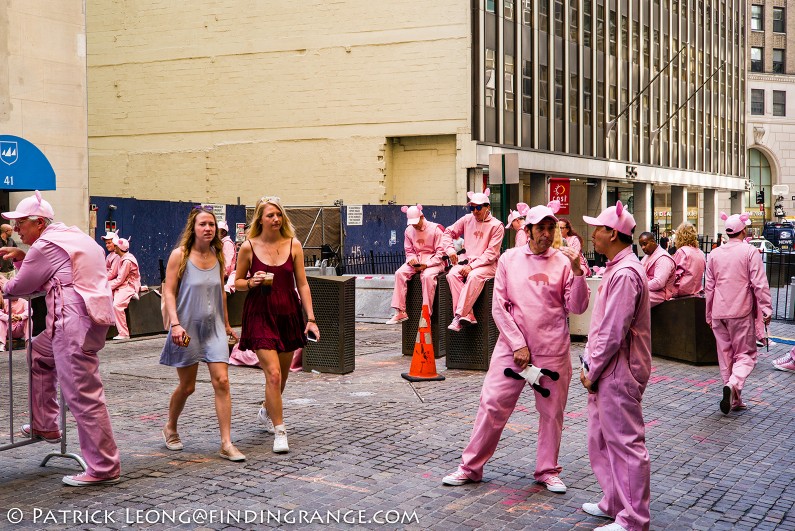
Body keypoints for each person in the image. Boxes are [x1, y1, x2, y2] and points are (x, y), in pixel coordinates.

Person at [442, 201, 589, 492]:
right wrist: (518, 344)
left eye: (551, 228)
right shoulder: (509, 259)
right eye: (541, 228)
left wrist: (579, 272)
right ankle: (470, 467)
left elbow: (577, 306)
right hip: (512, 349)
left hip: (553, 349)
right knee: (492, 404)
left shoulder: (564, 262)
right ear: (529, 230)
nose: (547, 234)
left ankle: (548, 470)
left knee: (552, 413)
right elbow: (500, 307)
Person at [0, 191, 121, 486]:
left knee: (83, 394)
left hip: (71, 323)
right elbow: (58, 268)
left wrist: (6, 280)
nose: (16, 231)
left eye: (20, 225)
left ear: (39, 223)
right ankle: (46, 424)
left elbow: (21, 286)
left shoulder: (44, 246)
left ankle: (104, 467)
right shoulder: (71, 236)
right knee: (39, 353)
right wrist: (25, 257)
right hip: (85, 320)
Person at [580, 201, 651, 531]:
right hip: (609, 367)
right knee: (602, 439)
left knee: (624, 444)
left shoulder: (624, 273)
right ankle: (614, 501)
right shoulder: (619, 268)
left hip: (617, 369)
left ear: (613, 232)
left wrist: (592, 367)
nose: (593, 234)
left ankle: (633, 518)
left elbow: (612, 331)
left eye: (598, 228)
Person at [235, 196, 320, 454]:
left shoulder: (293, 245)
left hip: (287, 313)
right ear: (260, 219)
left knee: (280, 377)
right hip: (260, 313)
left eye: (279, 215)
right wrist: (251, 282)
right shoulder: (248, 247)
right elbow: (236, 281)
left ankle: (265, 409)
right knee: (272, 374)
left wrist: (311, 318)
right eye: (270, 215)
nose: (275, 219)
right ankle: (280, 431)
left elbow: (302, 283)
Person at [160, 207, 244, 462]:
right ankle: (170, 426)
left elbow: (220, 293)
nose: (207, 228)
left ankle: (226, 443)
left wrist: (227, 324)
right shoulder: (180, 256)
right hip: (186, 329)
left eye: (211, 224)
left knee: (222, 382)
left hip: (214, 328)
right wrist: (175, 324)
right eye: (203, 224)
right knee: (187, 386)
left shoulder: (218, 255)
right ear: (193, 228)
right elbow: (169, 292)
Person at [705, 212, 772, 414]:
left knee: (725, 355)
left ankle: (734, 397)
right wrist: (766, 308)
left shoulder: (714, 254)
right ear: (743, 231)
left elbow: (709, 287)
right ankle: (733, 384)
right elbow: (759, 283)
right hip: (740, 311)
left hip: (718, 312)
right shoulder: (750, 252)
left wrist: (708, 313)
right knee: (746, 355)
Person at [442, 188, 504, 332]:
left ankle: (459, 315)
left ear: (487, 207)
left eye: (478, 207)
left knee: (474, 275)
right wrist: (450, 250)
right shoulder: (467, 219)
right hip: (468, 262)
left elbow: (491, 253)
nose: (475, 211)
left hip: (488, 264)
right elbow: (447, 232)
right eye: (472, 207)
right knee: (452, 275)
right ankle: (468, 313)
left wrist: (472, 266)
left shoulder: (497, 226)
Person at [386, 204, 445, 324]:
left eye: (416, 222)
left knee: (427, 276)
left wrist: (427, 264)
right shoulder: (409, 230)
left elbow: (441, 253)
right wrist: (412, 260)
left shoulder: (436, 229)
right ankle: (400, 311)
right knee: (400, 273)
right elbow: (409, 251)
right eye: (412, 223)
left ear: (422, 216)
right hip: (417, 260)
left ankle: (426, 313)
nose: (414, 225)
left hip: (434, 262)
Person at [109, 236, 141, 340]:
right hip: (124, 285)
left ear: (119, 248)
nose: (114, 247)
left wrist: (107, 286)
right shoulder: (123, 258)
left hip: (128, 286)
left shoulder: (127, 261)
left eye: (116, 246)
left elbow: (120, 279)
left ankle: (123, 333)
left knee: (117, 305)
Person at [638, 231, 675, 307]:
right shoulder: (647, 256)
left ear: (653, 242)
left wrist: (639, 287)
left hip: (659, 294)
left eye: (645, 244)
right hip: (647, 291)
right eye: (641, 245)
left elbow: (659, 282)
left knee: (631, 298)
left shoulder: (663, 258)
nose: (643, 247)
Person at [671, 222, 706, 298]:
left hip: (681, 290)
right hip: (696, 289)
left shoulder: (682, 252)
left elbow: (674, 274)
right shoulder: (701, 253)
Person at [0, 276, 30, 351]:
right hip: (7, 329)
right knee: (0, 321)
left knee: (29, 319)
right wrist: (8, 318)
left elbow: (30, 311)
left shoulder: (23, 301)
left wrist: (20, 317)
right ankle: (1, 344)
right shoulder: (4, 301)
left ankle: (28, 342)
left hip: (18, 329)